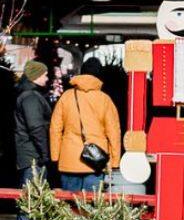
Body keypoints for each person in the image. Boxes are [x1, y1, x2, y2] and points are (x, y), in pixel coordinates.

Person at [49, 58, 121, 193]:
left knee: (69, 206)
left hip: (69, 159)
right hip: (96, 160)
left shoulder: (66, 96)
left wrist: (55, 156)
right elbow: (113, 131)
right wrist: (115, 160)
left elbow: (55, 129)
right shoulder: (105, 99)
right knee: (91, 205)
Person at [12, 61, 52, 189]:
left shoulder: (28, 94)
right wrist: (45, 153)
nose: (47, 78)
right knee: (32, 199)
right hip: (33, 156)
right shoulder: (31, 97)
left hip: (30, 153)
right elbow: (36, 127)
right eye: (45, 75)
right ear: (36, 76)